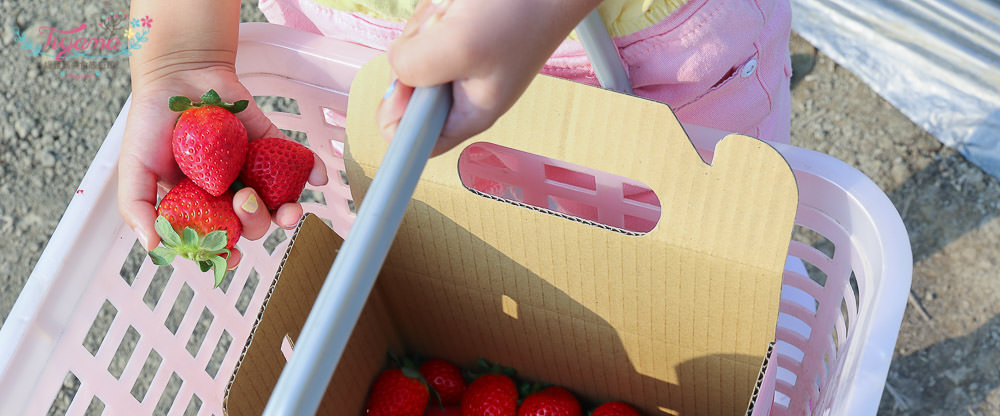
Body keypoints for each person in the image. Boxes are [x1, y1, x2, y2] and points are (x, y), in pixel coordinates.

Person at [120, 0, 792, 265]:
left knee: (706, 250)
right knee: (443, 247)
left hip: (647, 53)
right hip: (350, 37)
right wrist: (174, 48)